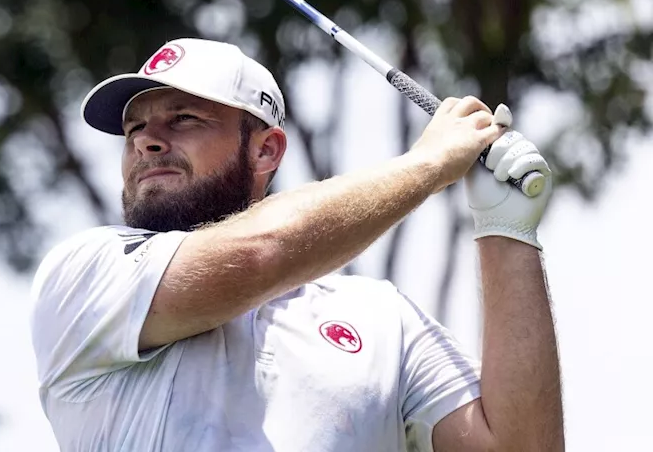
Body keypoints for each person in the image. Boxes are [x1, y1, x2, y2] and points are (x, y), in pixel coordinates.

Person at [29, 38, 563, 452]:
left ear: (265, 151)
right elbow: (257, 255)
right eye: (135, 128)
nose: (147, 139)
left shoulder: (383, 317)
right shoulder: (87, 272)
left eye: (184, 118)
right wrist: (426, 165)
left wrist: (506, 229)